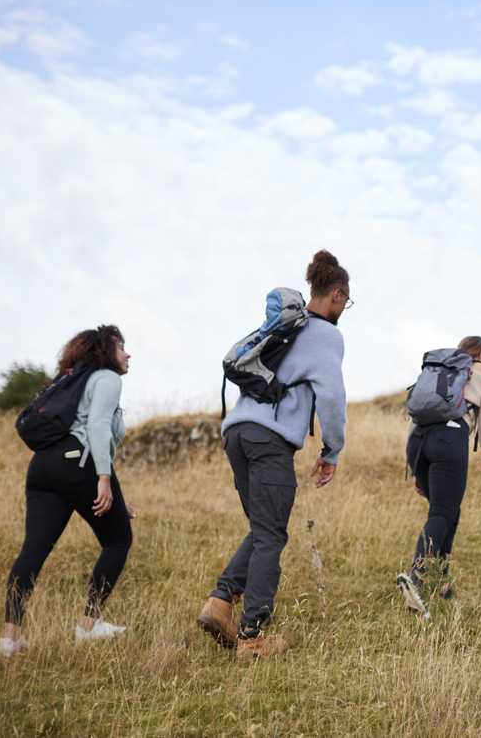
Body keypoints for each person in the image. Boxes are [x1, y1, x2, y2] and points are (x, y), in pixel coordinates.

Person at [196, 250, 349, 660]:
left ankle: (220, 603)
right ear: (335, 294)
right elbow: (332, 397)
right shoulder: (326, 335)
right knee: (270, 535)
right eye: (345, 301)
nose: (344, 310)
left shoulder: (286, 327)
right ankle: (252, 636)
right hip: (269, 440)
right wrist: (332, 449)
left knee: (264, 528)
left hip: (237, 434)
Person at [1, 325, 134, 657]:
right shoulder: (107, 379)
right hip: (78, 463)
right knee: (118, 540)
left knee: (34, 548)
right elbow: (97, 428)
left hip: (44, 466)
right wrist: (103, 479)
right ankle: (88, 626)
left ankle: (10, 638)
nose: (128, 354)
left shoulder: (73, 381)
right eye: (122, 348)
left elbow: (91, 435)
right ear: (107, 352)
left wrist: (115, 490)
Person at [396, 335, 481, 618]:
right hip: (449, 438)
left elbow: (418, 414)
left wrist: (418, 467)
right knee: (442, 514)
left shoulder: (440, 371)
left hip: (417, 442)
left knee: (446, 512)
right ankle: (417, 578)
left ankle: (442, 583)